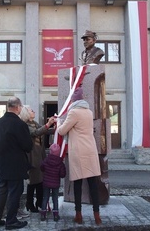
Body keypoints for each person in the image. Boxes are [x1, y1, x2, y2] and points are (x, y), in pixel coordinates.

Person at [57, 87, 102, 225]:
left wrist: (59, 122)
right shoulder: (88, 112)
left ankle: (78, 215)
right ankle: (97, 216)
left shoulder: (74, 112)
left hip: (79, 151)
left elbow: (62, 131)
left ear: (73, 100)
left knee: (77, 183)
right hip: (90, 150)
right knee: (93, 184)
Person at [0, 97, 33, 230]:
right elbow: (27, 146)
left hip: (2, 163)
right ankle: (11, 220)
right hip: (15, 164)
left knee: (2, 190)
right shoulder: (20, 124)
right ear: (18, 107)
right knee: (15, 191)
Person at [18, 105, 55, 213]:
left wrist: (57, 129)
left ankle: (39, 202)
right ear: (26, 113)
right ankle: (29, 203)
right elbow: (36, 133)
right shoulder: (25, 125)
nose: (33, 111)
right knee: (33, 181)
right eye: (31, 110)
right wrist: (48, 124)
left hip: (39, 154)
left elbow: (43, 130)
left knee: (40, 180)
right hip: (31, 156)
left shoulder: (34, 123)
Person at [40, 143, 66, 222]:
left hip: (46, 183)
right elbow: (62, 174)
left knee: (45, 198)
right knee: (55, 199)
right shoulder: (60, 163)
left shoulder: (46, 160)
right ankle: (55, 215)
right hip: (55, 184)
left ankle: (43, 214)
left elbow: (41, 167)